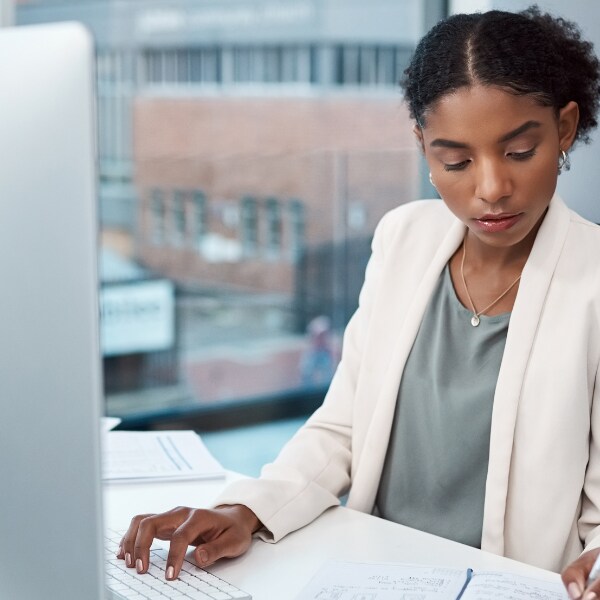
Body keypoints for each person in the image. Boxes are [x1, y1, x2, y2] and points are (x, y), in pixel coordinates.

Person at [117, 7, 600, 599]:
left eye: (520, 152)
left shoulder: (593, 282)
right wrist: (249, 509)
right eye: (456, 161)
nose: (492, 187)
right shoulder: (403, 239)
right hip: (372, 577)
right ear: (424, 149)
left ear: (566, 128)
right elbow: (342, 426)